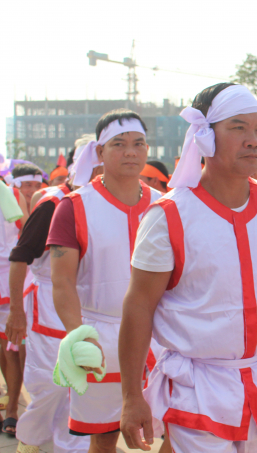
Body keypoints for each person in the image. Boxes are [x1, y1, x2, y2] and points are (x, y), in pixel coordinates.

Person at [118, 83, 257, 453]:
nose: (255, 140)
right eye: (238, 127)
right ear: (205, 138)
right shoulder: (169, 216)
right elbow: (139, 305)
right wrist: (131, 396)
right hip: (197, 389)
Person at [47, 109, 163, 452]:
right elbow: (62, 282)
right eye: (119, 144)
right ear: (99, 152)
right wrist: (78, 335)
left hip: (163, 338)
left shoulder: (166, 205)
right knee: (104, 437)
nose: (131, 151)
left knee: (177, 428)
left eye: (138, 143)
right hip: (102, 338)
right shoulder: (74, 207)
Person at [6, 167, 89, 452]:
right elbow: (20, 257)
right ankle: (31, 440)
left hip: (89, 308)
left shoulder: (107, 201)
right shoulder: (52, 204)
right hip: (48, 306)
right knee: (50, 383)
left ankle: (70, 445)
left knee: (81, 387)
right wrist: (17, 311)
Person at [0, 180, 29, 437]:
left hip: (7, 279)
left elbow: (29, 237)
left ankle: (11, 408)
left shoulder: (12, 193)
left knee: (11, 347)